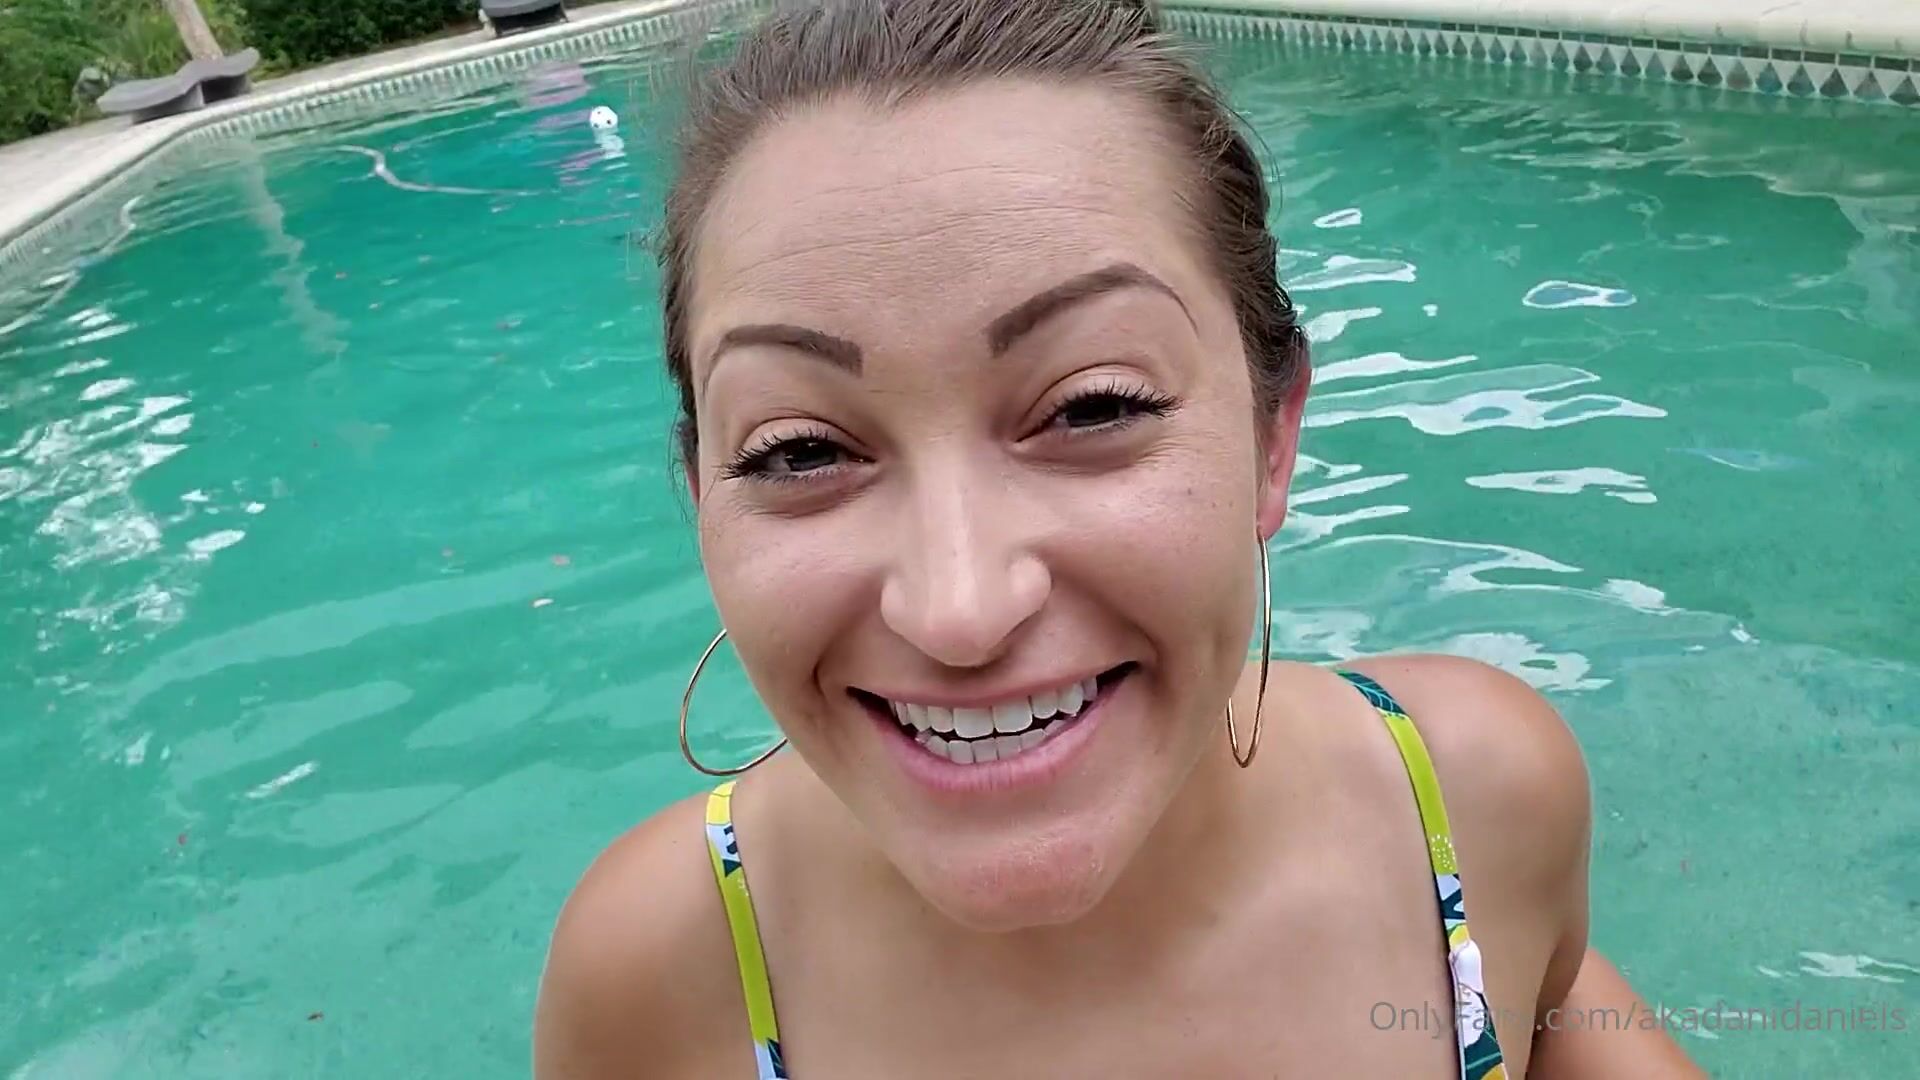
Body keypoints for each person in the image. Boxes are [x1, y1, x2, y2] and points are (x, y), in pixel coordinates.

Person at [534, 2, 1706, 1076]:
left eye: (1093, 406)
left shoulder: (1471, 796)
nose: (960, 608)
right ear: (702, 495)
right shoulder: (653, 979)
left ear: (1274, 435)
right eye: (798, 452)